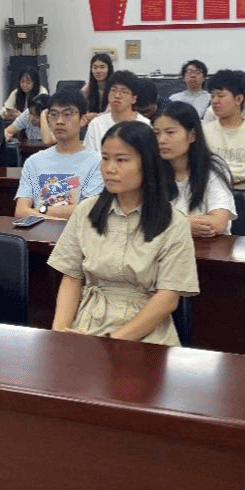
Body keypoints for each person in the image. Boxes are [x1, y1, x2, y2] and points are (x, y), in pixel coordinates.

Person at [48, 120, 198, 345]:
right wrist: (60, 333)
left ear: (147, 164)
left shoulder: (174, 222)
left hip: (145, 334)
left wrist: (111, 343)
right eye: (105, 158)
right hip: (87, 325)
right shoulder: (86, 211)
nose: (109, 169)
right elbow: (71, 278)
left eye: (121, 160)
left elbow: (167, 300)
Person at [14, 90, 103, 219]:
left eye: (67, 114)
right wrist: (55, 217)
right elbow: (20, 211)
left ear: (83, 119)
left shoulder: (97, 162)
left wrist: (39, 210)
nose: (59, 121)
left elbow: (86, 212)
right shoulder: (34, 161)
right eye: (54, 115)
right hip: (38, 231)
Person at [153, 101, 236, 237]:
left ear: (192, 135)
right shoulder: (150, 169)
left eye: (170, 132)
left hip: (208, 246)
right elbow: (140, 220)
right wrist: (185, 224)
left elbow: (218, 223)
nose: (161, 140)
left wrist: (167, 224)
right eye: (156, 133)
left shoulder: (213, 167)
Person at [83, 69, 151, 153]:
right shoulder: (96, 124)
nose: (117, 95)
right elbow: (89, 157)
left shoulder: (145, 125)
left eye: (124, 92)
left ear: (134, 99)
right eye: (113, 90)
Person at [80, 52, 113, 122]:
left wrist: (94, 116)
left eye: (102, 67)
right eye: (95, 68)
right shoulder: (86, 89)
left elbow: (111, 113)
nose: (98, 71)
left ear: (109, 69)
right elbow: (80, 109)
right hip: (91, 123)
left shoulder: (114, 89)